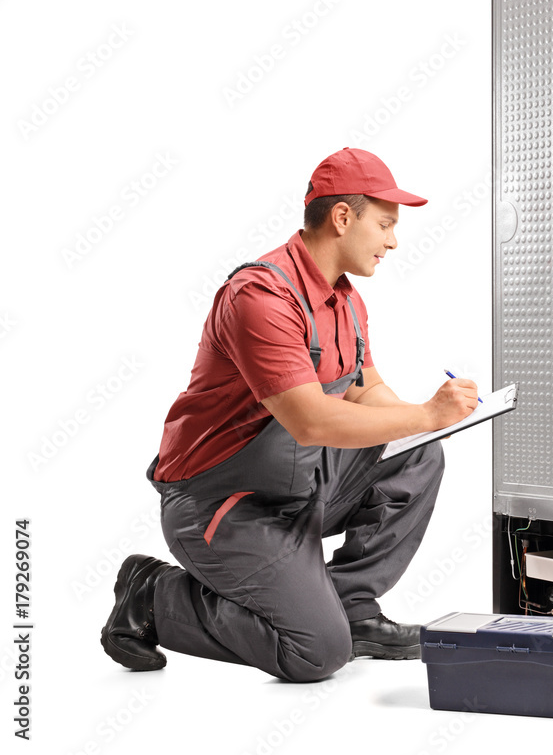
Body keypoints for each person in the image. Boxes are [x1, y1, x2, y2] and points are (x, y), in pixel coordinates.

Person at [100, 147, 478, 682]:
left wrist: (438, 419)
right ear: (342, 217)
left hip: (297, 485)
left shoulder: (345, 300)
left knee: (417, 454)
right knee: (315, 654)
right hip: (223, 506)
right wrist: (422, 416)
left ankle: (351, 608)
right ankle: (155, 594)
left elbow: (366, 393)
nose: (394, 240)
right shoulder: (261, 295)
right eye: (386, 224)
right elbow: (310, 421)